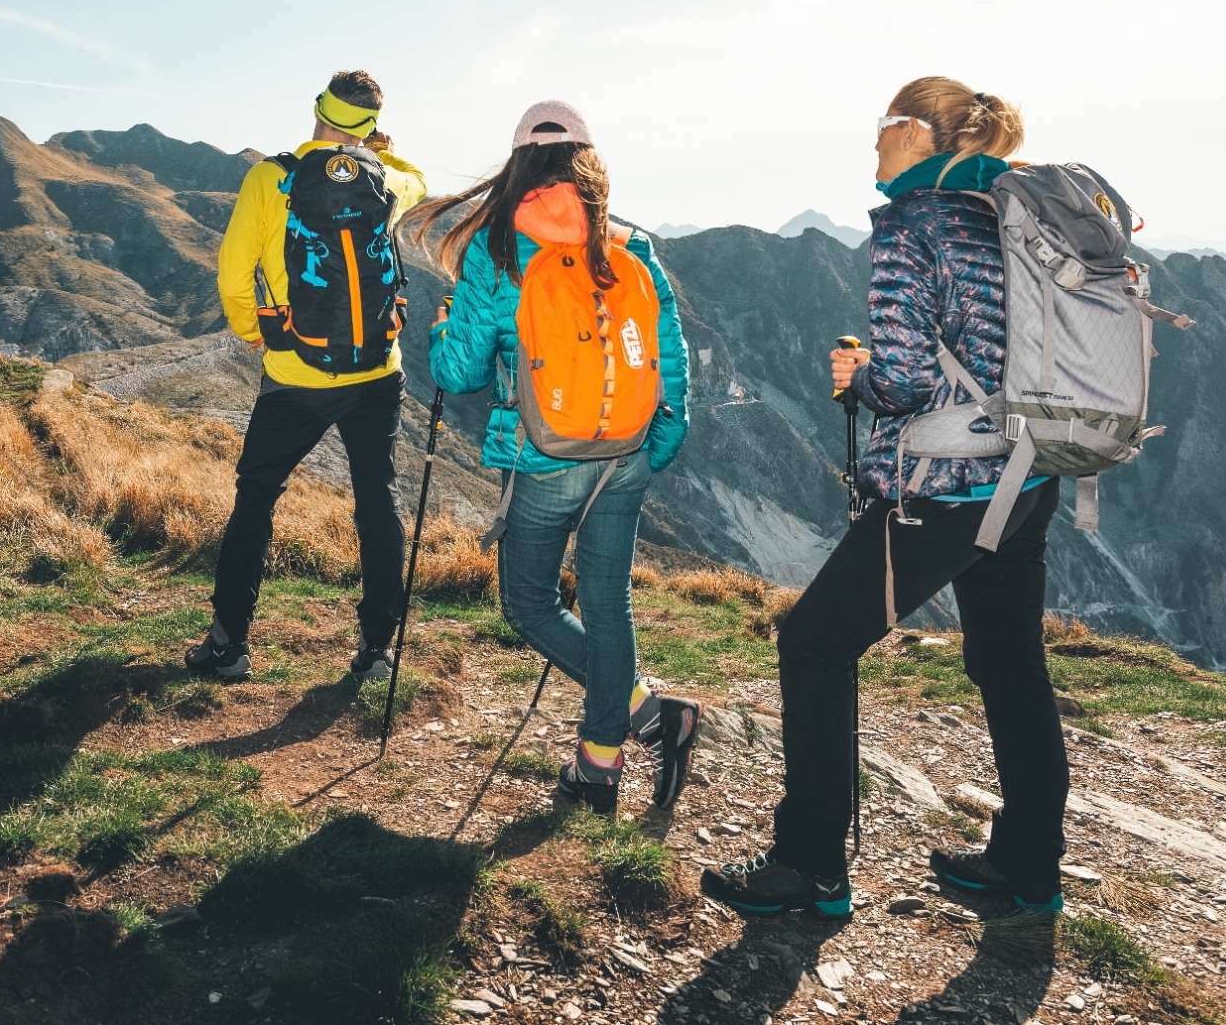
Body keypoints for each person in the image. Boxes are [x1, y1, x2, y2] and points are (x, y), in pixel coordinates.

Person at [703, 77, 1069, 918]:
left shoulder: (914, 225)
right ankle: (1028, 868)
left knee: (814, 644)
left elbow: (904, 382)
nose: (873, 141)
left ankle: (811, 866)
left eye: (884, 124)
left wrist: (860, 373)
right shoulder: (1006, 216)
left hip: (946, 487)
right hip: (1029, 475)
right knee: (1012, 664)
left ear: (918, 135)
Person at [414, 101, 700, 817]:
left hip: (541, 457)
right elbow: (669, 355)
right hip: (625, 453)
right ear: (589, 163)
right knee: (609, 602)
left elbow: (458, 373)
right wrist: (660, 440)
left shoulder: (498, 247)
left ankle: (645, 716)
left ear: (518, 167)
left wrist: (443, 330)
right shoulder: (631, 244)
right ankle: (603, 761)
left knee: (529, 604)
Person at [185, 71, 427, 684]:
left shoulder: (271, 178)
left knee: (256, 499)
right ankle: (376, 650)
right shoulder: (389, 179)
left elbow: (233, 272)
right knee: (378, 500)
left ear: (318, 109)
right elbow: (420, 182)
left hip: (295, 372)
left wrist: (255, 332)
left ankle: (229, 643)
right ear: (369, 125)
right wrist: (379, 152)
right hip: (377, 371)